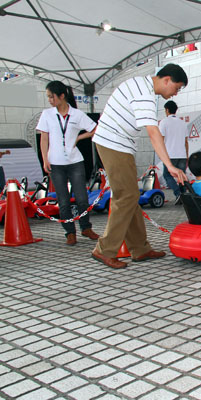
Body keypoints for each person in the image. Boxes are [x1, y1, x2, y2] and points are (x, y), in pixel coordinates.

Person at [91, 63, 189, 269]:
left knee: (130, 196)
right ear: (167, 80)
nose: (176, 93)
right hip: (113, 144)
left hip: (119, 145)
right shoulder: (144, 93)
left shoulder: (141, 86)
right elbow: (153, 133)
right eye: (177, 88)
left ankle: (140, 248)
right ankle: (104, 250)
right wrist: (169, 165)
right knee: (126, 196)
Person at [36, 81, 100, 246]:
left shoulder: (77, 114)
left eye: (52, 97)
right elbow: (44, 138)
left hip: (75, 161)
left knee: (82, 198)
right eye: (48, 97)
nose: (50, 100)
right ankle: (70, 233)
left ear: (62, 96)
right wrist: (45, 159)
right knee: (63, 200)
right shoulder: (47, 114)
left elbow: (95, 128)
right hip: (55, 163)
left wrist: (79, 137)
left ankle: (86, 228)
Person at [158, 100, 188, 205]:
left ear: (167, 110)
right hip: (182, 154)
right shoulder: (183, 123)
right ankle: (184, 196)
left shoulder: (164, 122)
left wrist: (161, 154)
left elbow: (160, 140)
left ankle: (178, 193)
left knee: (167, 175)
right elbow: (186, 142)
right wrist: (187, 155)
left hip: (169, 154)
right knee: (181, 176)